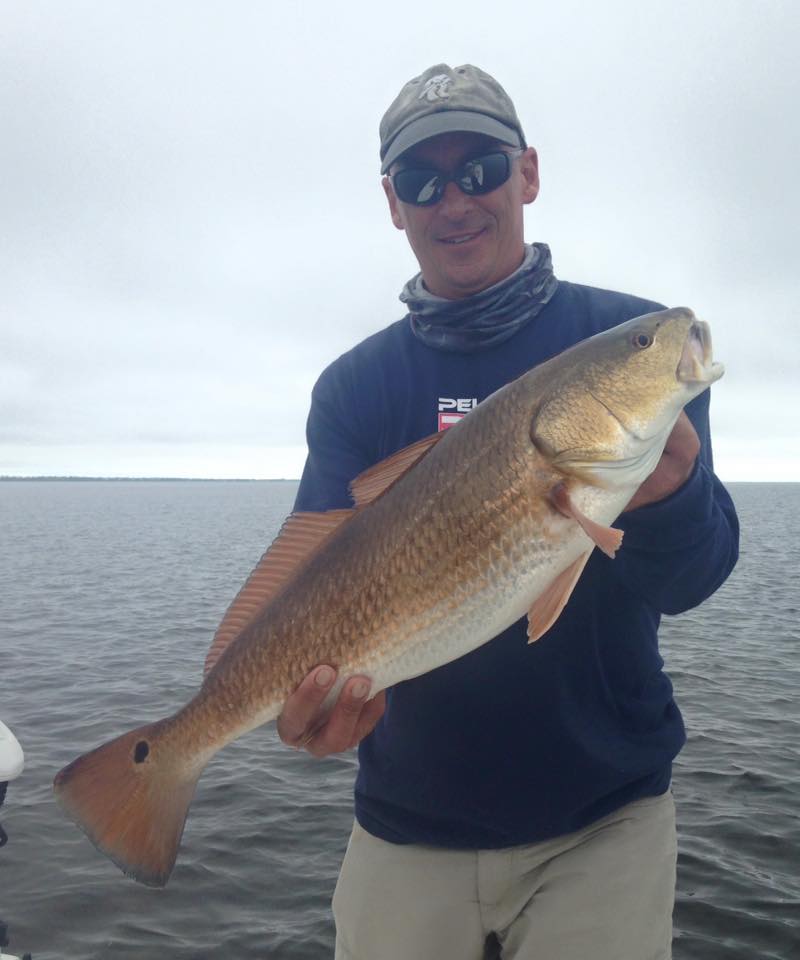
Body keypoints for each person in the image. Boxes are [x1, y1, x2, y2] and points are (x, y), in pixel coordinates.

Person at [277, 64, 739, 960]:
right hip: (407, 824)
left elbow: (693, 579)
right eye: (422, 181)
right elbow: (312, 579)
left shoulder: (628, 340)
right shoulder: (353, 389)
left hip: (605, 818)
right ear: (392, 203)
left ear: (527, 173)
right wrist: (304, 713)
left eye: (481, 169)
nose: (455, 201)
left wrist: (674, 499)